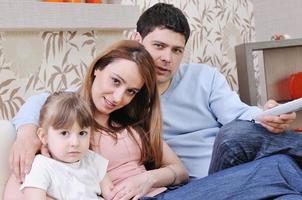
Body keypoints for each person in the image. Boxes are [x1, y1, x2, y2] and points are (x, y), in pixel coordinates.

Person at [4, 3, 302, 200]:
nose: (166, 58)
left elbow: (236, 117)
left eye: (176, 50)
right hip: (182, 189)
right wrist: (29, 129)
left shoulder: (135, 117)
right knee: (278, 168)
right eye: (159, 46)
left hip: (183, 185)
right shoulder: (74, 119)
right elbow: (46, 105)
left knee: (256, 152)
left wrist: (265, 113)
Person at [18, 91, 113, 199]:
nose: (75, 143)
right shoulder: (42, 166)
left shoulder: (92, 159)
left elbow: (112, 195)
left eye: (82, 133)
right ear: (44, 136)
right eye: (64, 133)